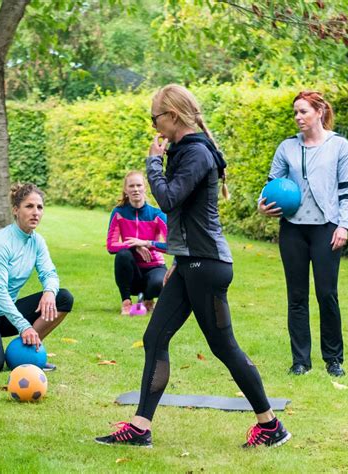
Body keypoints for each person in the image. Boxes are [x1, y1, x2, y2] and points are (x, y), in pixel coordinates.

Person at [95, 84, 291, 449]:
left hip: (208, 265)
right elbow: (186, 217)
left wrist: (153, 161)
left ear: (171, 115)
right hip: (192, 263)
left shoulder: (196, 152)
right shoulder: (188, 151)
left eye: (155, 116)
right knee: (155, 338)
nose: (153, 124)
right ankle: (140, 427)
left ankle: (270, 424)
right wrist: (177, 260)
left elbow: (169, 200)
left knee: (224, 346)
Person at [259, 90, 348, 377]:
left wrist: (344, 225)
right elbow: (269, 186)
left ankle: (333, 359)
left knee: (327, 294)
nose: (298, 118)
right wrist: (262, 206)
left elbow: (347, 191)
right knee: (297, 296)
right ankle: (300, 360)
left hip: (327, 229)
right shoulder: (287, 147)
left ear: (320, 111)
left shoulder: (339, 146)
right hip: (293, 230)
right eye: (295, 113)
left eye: (303, 111)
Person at [0, 183, 74, 372]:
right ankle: (25, 341)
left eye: (39, 207)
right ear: (16, 210)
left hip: (3, 314)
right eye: (29, 206)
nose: (35, 212)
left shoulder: (37, 241)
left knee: (63, 298)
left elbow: (49, 273)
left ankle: (30, 352)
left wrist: (50, 291)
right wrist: (24, 326)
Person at [106, 171, 168, 315]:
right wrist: (135, 245)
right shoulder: (118, 212)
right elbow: (111, 246)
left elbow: (172, 245)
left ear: (144, 188)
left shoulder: (157, 214)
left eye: (139, 185)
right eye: (131, 186)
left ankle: (148, 298)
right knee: (122, 255)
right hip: (132, 272)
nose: (135, 189)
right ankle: (126, 303)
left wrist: (146, 243)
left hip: (154, 267)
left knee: (159, 284)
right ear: (125, 190)